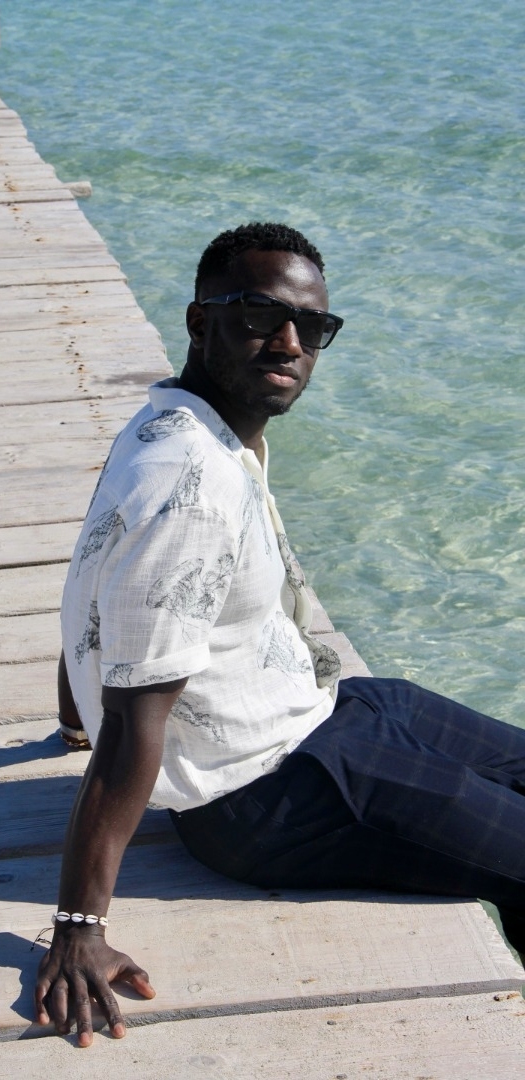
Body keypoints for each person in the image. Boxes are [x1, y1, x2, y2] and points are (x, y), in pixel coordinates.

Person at [34, 222, 525, 1046]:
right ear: (201, 323)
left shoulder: (174, 423)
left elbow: (91, 597)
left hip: (322, 709)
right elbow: (133, 717)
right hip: (264, 793)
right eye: (261, 315)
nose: (291, 343)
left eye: (312, 325)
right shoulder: (190, 490)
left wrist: (67, 716)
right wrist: (79, 926)